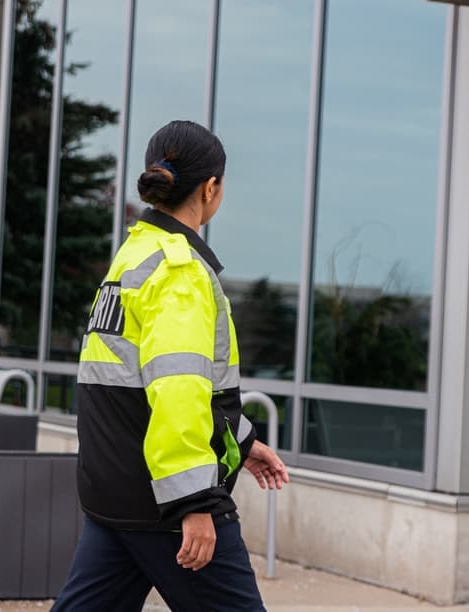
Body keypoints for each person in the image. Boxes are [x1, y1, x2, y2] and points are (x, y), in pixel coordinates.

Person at [52, 121, 289, 612]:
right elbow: (178, 392)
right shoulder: (179, 272)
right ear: (210, 189)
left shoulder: (132, 256)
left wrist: (241, 442)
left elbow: (140, 386)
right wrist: (195, 504)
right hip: (163, 504)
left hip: (112, 493)